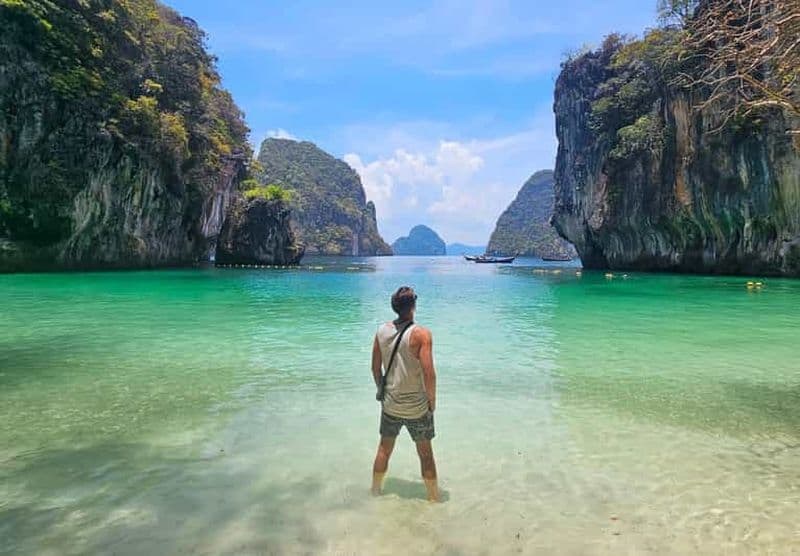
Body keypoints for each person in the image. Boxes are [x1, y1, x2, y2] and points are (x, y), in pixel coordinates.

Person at [370, 286, 438, 502]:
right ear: (413, 307)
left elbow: (374, 368)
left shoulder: (381, 331)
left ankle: (375, 492)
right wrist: (431, 402)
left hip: (391, 404)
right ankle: (434, 499)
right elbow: (429, 374)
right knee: (425, 454)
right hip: (417, 407)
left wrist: (383, 390)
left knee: (384, 449)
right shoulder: (421, 334)